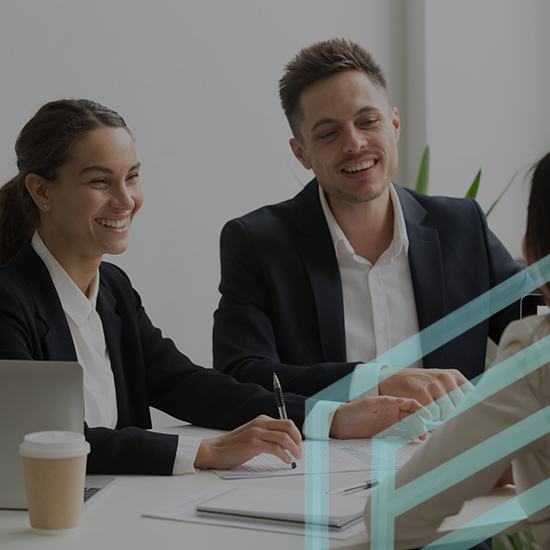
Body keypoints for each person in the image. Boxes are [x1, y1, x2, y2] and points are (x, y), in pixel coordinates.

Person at [0, 99, 425, 476]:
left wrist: (331, 419)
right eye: (99, 182)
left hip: (118, 512)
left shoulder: (113, 290)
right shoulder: (10, 299)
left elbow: (187, 385)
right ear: (41, 191)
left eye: (131, 177)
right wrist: (205, 450)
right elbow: (43, 439)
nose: (126, 199)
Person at [213, 38, 521, 420]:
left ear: (393, 123)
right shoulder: (257, 243)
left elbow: (533, 324)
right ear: (301, 152)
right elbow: (241, 375)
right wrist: (376, 380)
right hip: (319, 469)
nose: (355, 143)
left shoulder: (462, 227)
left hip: (452, 464)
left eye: (368, 121)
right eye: (329, 133)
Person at [365, 152, 550, 549]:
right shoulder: (258, 240)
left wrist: (501, 448)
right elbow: (243, 367)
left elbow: (391, 520)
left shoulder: (537, 349)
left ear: (531, 248)